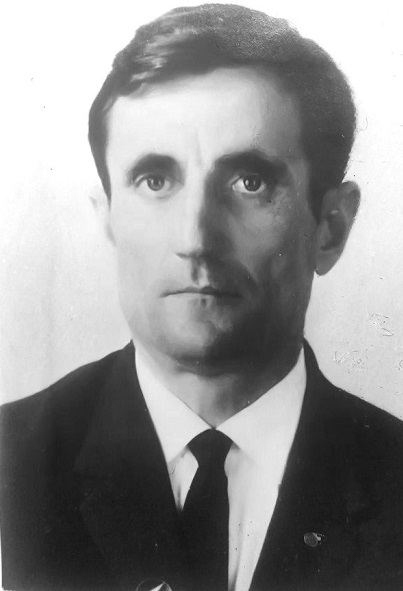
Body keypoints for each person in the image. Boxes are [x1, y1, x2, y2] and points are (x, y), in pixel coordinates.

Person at [1, 4, 402, 591]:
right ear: (108, 216)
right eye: (155, 181)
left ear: (331, 227)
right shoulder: (11, 463)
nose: (195, 240)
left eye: (250, 183)